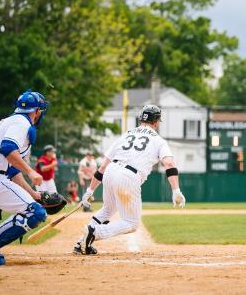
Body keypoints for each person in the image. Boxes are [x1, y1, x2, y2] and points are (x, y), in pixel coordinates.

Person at [73, 105, 186, 255]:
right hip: (128, 176)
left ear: (141, 119)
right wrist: (176, 190)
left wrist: (90, 190)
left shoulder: (126, 134)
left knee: (108, 209)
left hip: (110, 172)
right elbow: (169, 164)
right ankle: (95, 232)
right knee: (131, 223)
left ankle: (81, 242)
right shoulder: (158, 140)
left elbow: (102, 167)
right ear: (156, 122)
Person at [0, 90, 49, 265]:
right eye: (41, 110)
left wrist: (34, 194)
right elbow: (8, 148)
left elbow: (12, 171)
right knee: (35, 212)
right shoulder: (21, 123)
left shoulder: (11, 121)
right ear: (36, 111)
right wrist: (31, 171)